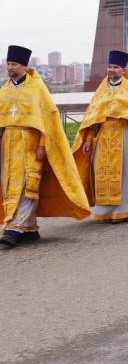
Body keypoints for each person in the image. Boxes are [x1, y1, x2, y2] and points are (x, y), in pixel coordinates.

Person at [0, 45, 91, 247]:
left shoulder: (37, 88)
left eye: (13, 64)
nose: (10, 67)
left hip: (30, 145)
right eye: (8, 64)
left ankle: (14, 229)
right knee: (8, 187)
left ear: (24, 66)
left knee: (27, 185)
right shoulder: (4, 90)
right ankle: (28, 229)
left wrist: (43, 145)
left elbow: (48, 120)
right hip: (7, 145)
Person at [72, 50, 128, 222]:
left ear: (123, 69)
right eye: (110, 66)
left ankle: (123, 210)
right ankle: (105, 212)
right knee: (101, 174)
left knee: (124, 174)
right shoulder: (102, 90)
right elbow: (93, 117)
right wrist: (89, 139)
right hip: (103, 137)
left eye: (116, 67)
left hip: (125, 134)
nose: (112, 70)